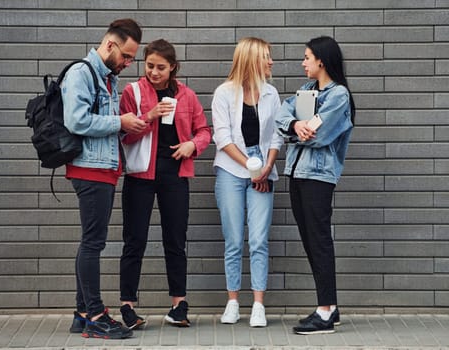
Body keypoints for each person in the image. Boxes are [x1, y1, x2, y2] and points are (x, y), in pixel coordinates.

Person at [118, 39, 211, 328]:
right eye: (149, 66)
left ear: (173, 67)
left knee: (175, 239)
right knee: (135, 239)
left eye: (161, 68)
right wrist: (149, 116)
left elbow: (204, 130)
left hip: (175, 174)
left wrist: (192, 147)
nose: (154, 73)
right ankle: (127, 305)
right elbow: (124, 135)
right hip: (140, 174)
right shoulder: (132, 92)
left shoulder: (187, 95)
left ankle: (178, 304)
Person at [62, 19, 145, 339]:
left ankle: (82, 313)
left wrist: (125, 125)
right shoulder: (82, 73)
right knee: (93, 243)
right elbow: (76, 120)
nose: (127, 63)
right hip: (90, 169)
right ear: (110, 45)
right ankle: (96, 314)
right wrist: (118, 121)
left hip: (103, 168)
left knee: (90, 241)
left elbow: (102, 123)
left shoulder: (106, 76)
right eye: (126, 56)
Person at [275, 36, 355, 335]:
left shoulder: (338, 96)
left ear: (321, 60)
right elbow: (282, 116)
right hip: (296, 173)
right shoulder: (306, 92)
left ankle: (325, 310)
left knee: (319, 240)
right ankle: (328, 307)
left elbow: (320, 136)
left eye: (307, 57)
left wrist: (295, 130)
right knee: (310, 239)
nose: (303, 62)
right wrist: (296, 125)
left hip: (319, 177)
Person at [212, 37, 283, 328]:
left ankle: (257, 305)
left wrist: (266, 168)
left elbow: (277, 135)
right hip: (232, 168)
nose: (271, 62)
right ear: (252, 59)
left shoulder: (271, 93)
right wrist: (253, 168)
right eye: (267, 57)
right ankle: (232, 302)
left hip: (263, 170)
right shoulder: (224, 93)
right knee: (232, 239)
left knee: (258, 239)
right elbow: (223, 137)